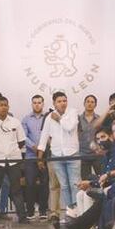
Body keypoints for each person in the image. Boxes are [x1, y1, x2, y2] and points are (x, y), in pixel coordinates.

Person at [0, 96, 28, 223]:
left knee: (16, 190)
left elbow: (21, 141)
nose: (4, 107)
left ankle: (22, 217)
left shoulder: (15, 122)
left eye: (6, 105)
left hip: (13, 160)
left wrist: (11, 151)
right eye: (1, 105)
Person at [38, 91, 81, 221]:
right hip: (56, 155)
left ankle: (78, 213)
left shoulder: (72, 112)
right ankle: (70, 212)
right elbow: (44, 136)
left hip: (72, 154)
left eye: (64, 100)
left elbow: (70, 127)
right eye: (59, 101)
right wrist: (40, 156)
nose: (63, 103)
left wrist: (60, 119)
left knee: (75, 185)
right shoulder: (49, 117)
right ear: (54, 103)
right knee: (64, 186)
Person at [22, 94, 50, 220]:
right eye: (35, 102)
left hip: (46, 156)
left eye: (39, 102)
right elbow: (23, 136)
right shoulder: (26, 119)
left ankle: (43, 210)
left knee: (45, 183)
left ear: (43, 104)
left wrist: (43, 148)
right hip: (30, 156)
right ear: (32, 104)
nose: (37, 104)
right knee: (30, 184)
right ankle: (30, 211)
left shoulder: (48, 118)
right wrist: (34, 146)